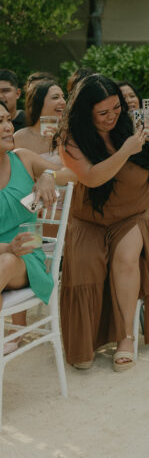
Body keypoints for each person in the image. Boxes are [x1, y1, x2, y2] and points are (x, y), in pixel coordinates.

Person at [57, 74, 149, 371]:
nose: (112, 116)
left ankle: (125, 337)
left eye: (116, 108)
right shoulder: (70, 139)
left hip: (133, 214)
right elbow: (91, 177)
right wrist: (127, 149)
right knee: (85, 265)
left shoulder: (133, 123)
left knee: (126, 259)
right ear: (85, 112)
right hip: (88, 220)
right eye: (103, 112)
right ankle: (86, 341)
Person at [0, 101, 65, 353]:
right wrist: (7, 247)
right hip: (4, 251)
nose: (8, 127)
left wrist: (49, 175)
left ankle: (15, 330)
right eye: (0, 122)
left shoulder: (23, 159)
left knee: (5, 262)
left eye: (8, 119)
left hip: (28, 254)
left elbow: (70, 172)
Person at [13, 78, 67, 162]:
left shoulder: (69, 135)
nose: (63, 102)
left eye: (63, 97)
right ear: (38, 103)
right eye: (55, 97)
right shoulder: (19, 138)